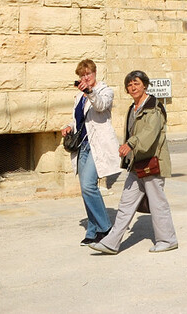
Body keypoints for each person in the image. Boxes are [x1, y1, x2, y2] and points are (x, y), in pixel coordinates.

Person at [90, 70, 178, 254]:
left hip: (152, 163)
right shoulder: (133, 107)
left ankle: (167, 239)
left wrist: (130, 144)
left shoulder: (153, 107)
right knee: (125, 204)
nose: (132, 88)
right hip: (136, 164)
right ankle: (111, 243)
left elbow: (149, 133)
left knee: (157, 203)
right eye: (129, 85)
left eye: (136, 83)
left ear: (144, 85)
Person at [61, 59, 120, 246]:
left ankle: (105, 228)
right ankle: (93, 230)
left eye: (88, 74)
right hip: (82, 147)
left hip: (98, 146)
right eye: (82, 75)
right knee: (85, 189)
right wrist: (69, 127)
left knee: (88, 186)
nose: (85, 77)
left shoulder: (104, 91)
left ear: (95, 73)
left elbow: (101, 105)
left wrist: (89, 92)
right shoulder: (78, 97)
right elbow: (78, 121)